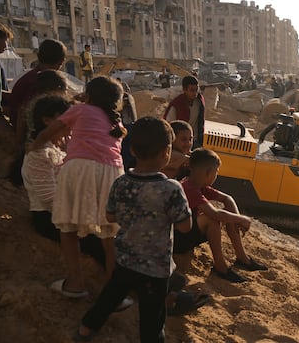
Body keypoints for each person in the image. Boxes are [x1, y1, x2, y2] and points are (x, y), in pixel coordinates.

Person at [74, 117, 192, 342]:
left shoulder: (121, 182)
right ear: (167, 152)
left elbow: (110, 215)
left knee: (110, 297)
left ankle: (85, 329)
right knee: (152, 318)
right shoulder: (171, 189)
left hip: (125, 259)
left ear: (134, 150)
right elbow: (185, 226)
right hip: (155, 269)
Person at [30, 76, 127, 297]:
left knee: (69, 228)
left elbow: (49, 132)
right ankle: (114, 293)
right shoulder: (117, 124)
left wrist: (32, 148)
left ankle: (75, 283)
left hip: (80, 168)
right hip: (113, 173)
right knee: (109, 234)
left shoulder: (81, 110)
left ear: (89, 95)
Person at [22, 95, 106, 266]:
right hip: (50, 218)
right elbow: (49, 198)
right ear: (47, 121)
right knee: (102, 244)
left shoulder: (56, 150)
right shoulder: (40, 155)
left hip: (68, 212)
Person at [173, 148, 267, 283]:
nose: (216, 175)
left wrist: (237, 218)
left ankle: (241, 257)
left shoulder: (198, 184)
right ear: (208, 172)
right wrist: (243, 219)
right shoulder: (189, 188)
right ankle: (221, 267)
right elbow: (215, 213)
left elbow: (227, 198)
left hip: (187, 233)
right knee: (212, 219)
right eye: (216, 172)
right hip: (178, 240)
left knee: (225, 213)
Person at [9, 39, 67, 139]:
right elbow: (22, 112)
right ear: (61, 62)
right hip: (29, 134)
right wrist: (20, 143)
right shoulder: (39, 81)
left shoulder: (32, 76)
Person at [164, 75, 205, 149]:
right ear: (184, 89)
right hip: (179, 144)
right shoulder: (176, 105)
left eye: (196, 90)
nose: (195, 93)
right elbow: (168, 126)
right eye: (192, 90)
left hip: (194, 141)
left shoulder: (199, 101)